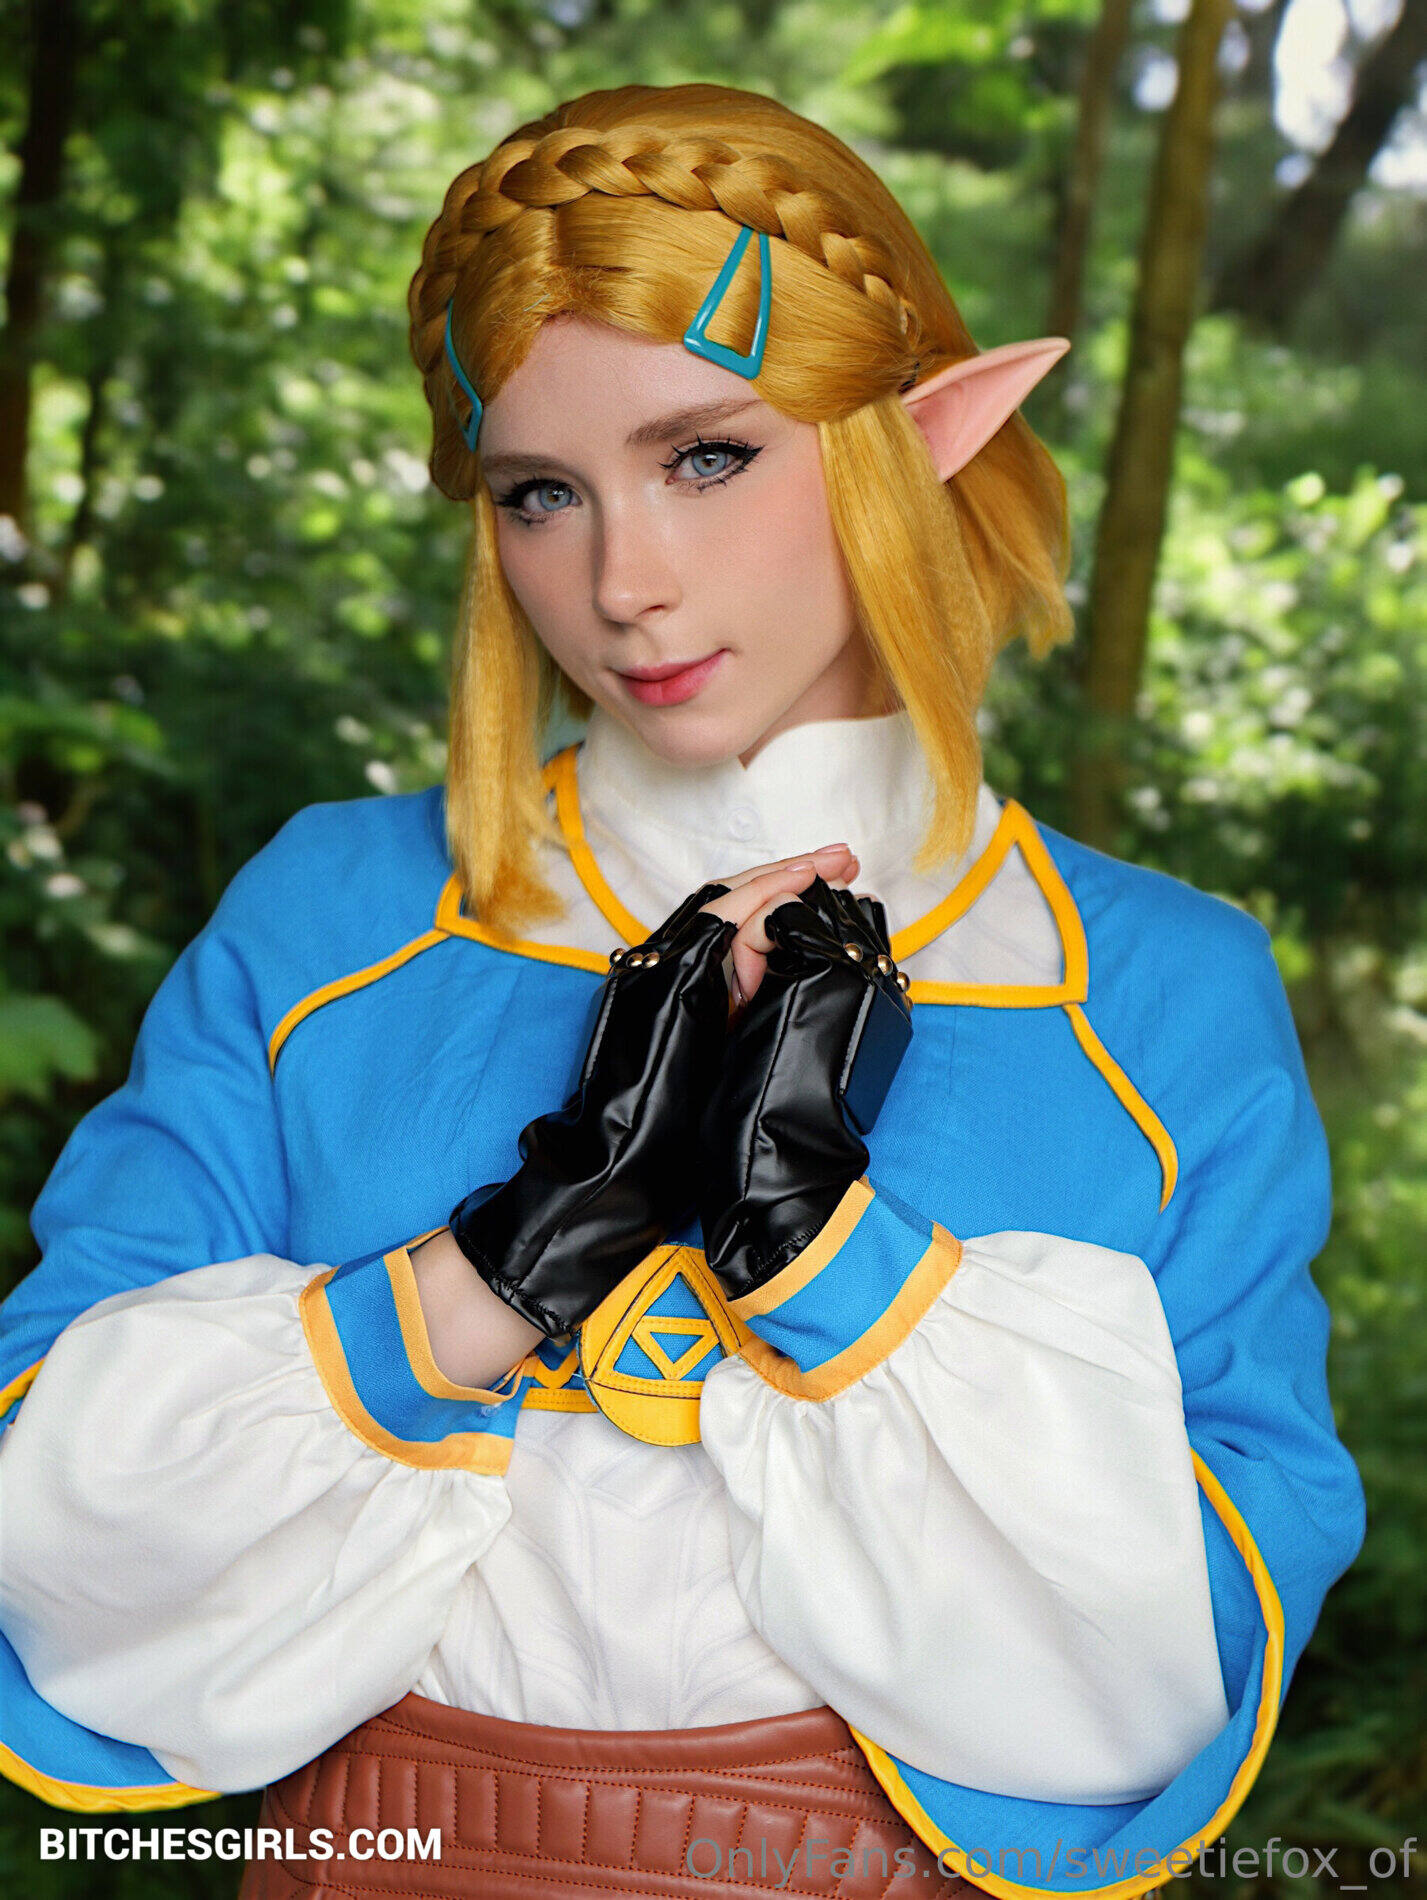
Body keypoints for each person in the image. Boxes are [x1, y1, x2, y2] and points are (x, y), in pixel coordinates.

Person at [0, 81, 1363, 1900]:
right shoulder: (333, 914)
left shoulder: (1163, 990)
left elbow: (1179, 1670)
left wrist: (825, 1256)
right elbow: (44, 1537)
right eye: (540, 494)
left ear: (920, 441)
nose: (624, 584)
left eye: (706, 458)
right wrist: (516, 1253)